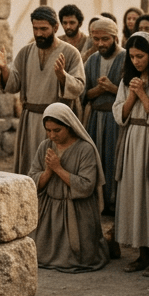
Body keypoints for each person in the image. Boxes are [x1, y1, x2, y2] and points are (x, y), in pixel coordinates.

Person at [0, 6, 85, 174]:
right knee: (29, 166)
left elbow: (78, 87)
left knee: (54, 168)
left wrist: (62, 76)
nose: (39, 33)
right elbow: (13, 84)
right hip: (29, 123)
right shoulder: (26, 52)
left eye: (44, 29)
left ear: (55, 28)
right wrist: (4, 68)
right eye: (35, 28)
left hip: (57, 123)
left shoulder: (71, 53)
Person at [28, 102, 109, 273]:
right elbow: (32, 180)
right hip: (49, 210)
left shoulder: (85, 149)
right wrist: (48, 172)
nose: (52, 135)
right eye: (48, 130)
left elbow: (87, 186)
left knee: (79, 257)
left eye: (57, 130)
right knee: (37, 254)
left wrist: (58, 169)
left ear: (69, 127)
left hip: (77, 212)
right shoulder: (45, 146)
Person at [113, 32, 149, 277]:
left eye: (141, 56)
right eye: (132, 56)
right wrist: (132, 95)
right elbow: (119, 113)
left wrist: (144, 96)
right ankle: (142, 253)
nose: (136, 61)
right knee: (134, 194)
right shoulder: (127, 80)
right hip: (132, 138)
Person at [81, 17, 125, 217]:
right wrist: (99, 90)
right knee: (96, 161)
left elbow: (132, 94)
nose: (100, 44)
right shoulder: (92, 60)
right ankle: (99, 204)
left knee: (115, 161)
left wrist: (113, 89)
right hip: (96, 119)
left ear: (115, 37)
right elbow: (84, 94)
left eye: (105, 39)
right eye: (96, 39)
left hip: (117, 121)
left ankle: (116, 205)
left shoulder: (126, 58)